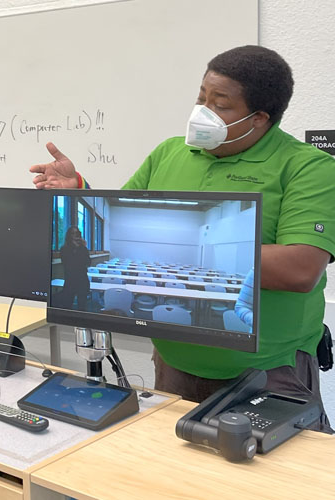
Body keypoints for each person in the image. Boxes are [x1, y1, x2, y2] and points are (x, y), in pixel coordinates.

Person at [29, 45, 335, 432]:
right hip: (173, 362)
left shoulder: (307, 167)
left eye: (220, 104)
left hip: (267, 370)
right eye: (201, 98)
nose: (203, 112)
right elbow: (122, 207)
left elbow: (300, 268)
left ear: (259, 118)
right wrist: (79, 188)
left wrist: (176, 258)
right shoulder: (169, 153)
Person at [59, 226, 91, 310]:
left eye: (77, 233)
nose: (75, 235)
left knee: (82, 306)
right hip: (70, 281)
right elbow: (69, 264)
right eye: (72, 233)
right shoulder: (64, 249)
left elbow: (88, 263)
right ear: (69, 236)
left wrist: (83, 248)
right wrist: (75, 248)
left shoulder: (83, 249)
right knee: (67, 305)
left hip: (82, 281)